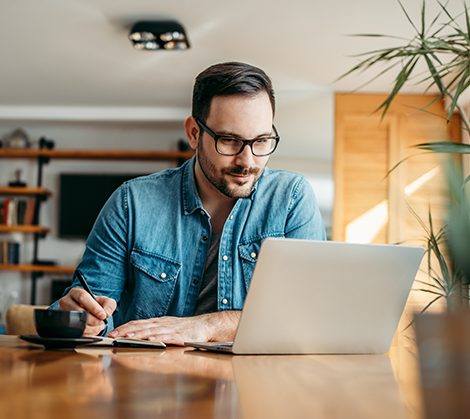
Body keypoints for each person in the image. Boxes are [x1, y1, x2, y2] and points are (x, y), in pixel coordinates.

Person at [50, 62, 326, 345]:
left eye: (261, 141)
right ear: (194, 133)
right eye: (229, 140)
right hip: (146, 383)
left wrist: (206, 326)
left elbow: (312, 315)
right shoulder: (130, 203)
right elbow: (85, 309)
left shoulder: (292, 198)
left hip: (255, 384)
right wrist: (80, 318)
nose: (248, 161)